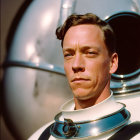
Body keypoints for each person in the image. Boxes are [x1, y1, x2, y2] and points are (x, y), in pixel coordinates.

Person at [28, 13, 140, 140]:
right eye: (69, 55)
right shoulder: (40, 137)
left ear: (112, 63)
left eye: (90, 53)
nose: (76, 65)